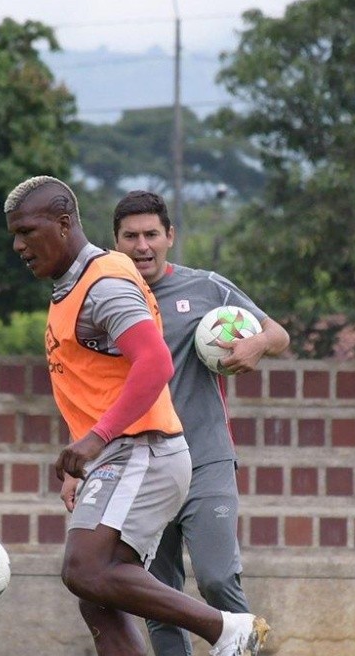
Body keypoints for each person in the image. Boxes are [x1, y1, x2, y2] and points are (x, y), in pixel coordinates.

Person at [4, 175, 270, 656]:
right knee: (97, 590)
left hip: (144, 449)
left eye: (26, 231)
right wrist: (83, 452)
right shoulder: (74, 285)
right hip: (121, 454)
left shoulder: (105, 284)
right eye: (14, 235)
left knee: (94, 570)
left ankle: (226, 628)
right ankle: (226, 628)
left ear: (64, 225)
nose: (19, 245)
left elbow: (156, 363)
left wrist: (94, 440)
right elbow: (94, 383)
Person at [112, 190, 290, 656]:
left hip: (205, 459)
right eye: (131, 236)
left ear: (170, 236)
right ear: (116, 243)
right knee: (158, 598)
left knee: (216, 578)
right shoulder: (107, 302)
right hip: (141, 466)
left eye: (152, 234)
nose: (142, 245)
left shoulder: (207, 287)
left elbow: (278, 334)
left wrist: (254, 346)